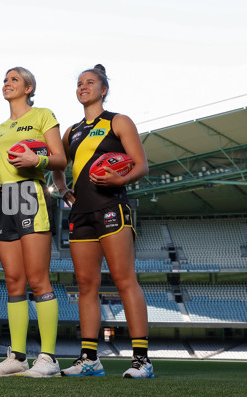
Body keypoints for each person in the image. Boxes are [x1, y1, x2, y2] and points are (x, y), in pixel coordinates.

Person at [52, 64, 154, 379]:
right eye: (80, 83)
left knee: (125, 281)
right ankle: (89, 359)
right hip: (80, 213)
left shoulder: (118, 121)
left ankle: (142, 360)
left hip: (112, 207)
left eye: (90, 82)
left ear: (103, 90)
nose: (83, 87)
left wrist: (116, 178)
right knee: (86, 286)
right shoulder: (71, 131)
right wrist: (62, 188)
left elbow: (141, 165)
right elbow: (58, 163)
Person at [0, 67, 66, 378]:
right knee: (13, 280)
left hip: (31, 193)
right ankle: (17, 357)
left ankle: (48, 359)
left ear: (29, 87)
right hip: (5, 198)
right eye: (5, 79)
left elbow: (60, 158)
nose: (7, 83)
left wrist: (38, 161)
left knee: (38, 278)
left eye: (14, 79)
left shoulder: (43, 115)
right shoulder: (1, 129)